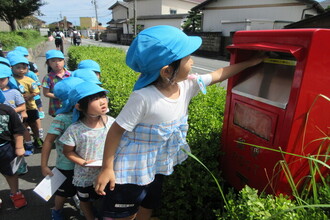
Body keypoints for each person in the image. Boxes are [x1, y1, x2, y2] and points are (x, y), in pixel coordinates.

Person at [94, 25, 265, 220]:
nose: (192, 62)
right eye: (187, 58)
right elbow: (116, 131)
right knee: (125, 214)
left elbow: (219, 74)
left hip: (156, 166)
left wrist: (251, 62)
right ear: (167, 71)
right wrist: (107, 168)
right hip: (131, 170)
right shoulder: (143, 98)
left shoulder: (187, 85)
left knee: (149, 204)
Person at [60, 82, 115, 220]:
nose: (102, 101)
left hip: (107, 172)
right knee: (85, 200)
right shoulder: (75, 129)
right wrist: (83, 162)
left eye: (102, 96)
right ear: (79, 106)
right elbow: (67, 152)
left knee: (106, 199)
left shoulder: (112, 123)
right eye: (94, 99)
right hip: (84, 176)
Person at [41, 77, 85, 220]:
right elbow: (48, 141)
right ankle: (57, 210)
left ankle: (83, 207)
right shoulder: (62, 118)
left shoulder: (88, 116)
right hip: (65, 164)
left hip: (84, 164)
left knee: (82, 189)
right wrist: (44, 165)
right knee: (62, 192)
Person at [8, 55, 41, 156]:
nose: (21, 70)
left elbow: (37, 91)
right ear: (11, 68)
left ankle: (37, 138)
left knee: (34, 125)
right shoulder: (10, 80)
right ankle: (26, 143)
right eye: (18, 68)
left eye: (24, 68)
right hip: (18, 109)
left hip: (30, 107)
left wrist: (29, 95)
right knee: (23, 126)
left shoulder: (29, 80)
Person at [0, 90, 27, 209]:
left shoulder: (7, 110)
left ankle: (15, 192)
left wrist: (19, 146)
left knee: (11, 172)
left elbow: (18, 130)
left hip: (5, 147)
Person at [42, 50, 71, 117]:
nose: (57, 63)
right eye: (53, 61)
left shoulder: (71, 74)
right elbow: (46, 93)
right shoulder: (47, 78)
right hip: (56, 107)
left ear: (64, 61)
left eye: (60, 60)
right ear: (48, 63)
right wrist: (59, 96)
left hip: (70, 106)